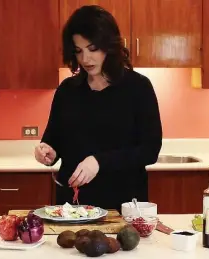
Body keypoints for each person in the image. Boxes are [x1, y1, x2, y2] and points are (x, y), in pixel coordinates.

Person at [34, 5, 163, 212]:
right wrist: (47, 150)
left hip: (122, 207)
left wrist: (99, 162)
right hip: (73, 208)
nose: (85, 59)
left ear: (109, 46)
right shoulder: (67, 91)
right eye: (78, 51)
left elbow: (150, 150)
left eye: (93, 49)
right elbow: (54, 139)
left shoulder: (138, 88)